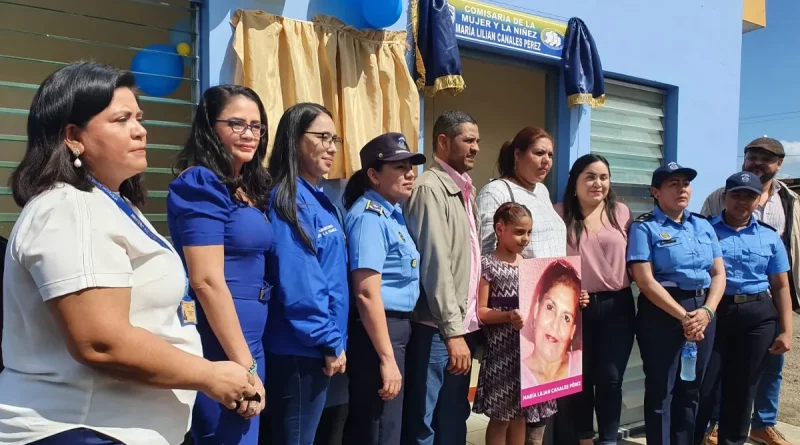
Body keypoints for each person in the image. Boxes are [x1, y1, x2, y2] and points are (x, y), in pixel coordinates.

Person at [0, 62, 256, 445]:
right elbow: (101, 341)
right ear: (73, 136)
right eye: (121, 119)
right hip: (84, 428)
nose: (140, 129)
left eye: (138, 117)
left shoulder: (110, 203)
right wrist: (210, 375)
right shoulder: (70, 208)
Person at [167, 85, 272, 444]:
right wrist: (245, 366)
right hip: (221, 345)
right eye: (237, 124)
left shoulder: (243, 185)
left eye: (257, 126)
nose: (250, 134)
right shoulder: (201, 182)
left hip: (248, 342)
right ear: (210, 127)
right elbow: (207, 280)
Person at [701, 137, 800, 445]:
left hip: (762, 307)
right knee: (711, 379)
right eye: (752, 156)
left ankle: (759, 425)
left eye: (766, 158)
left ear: (779, 164)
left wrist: (787, 328)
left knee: (760, 375)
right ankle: (710, 427)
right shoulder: (711, 214)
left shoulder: (789, 204)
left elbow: (783, 275)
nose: (758, 162)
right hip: (718, 307)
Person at [264, 102, 349, 445]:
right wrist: (328, 340)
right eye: (322, 137)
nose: (331, 146)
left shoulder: (318, 198)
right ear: (295, 140)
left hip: (316, 346)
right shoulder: (289, 200)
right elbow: (301, 283)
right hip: (300, 350)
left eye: (335, 138)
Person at [627, 162, 726, 445]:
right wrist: (685, 317)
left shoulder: (703, 225)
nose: (682, 189)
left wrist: (707, 311)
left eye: (685, 183)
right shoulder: (645, 227)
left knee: (692, 389)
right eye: (673, 184)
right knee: (662, 391)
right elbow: (645, 281)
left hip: (703, 311)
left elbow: (718, 273)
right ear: (655, 192)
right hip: (663, 313)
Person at [476, 126, 565, 444]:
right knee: (507, 406)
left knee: (536, 405)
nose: (546, 161)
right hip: (515, 320)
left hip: (548, 314)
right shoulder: (498, 191)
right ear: (517, 154)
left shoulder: (541, 192)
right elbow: (489, 254)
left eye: (550, 155)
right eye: (539, 153)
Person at [401, 110, 482, 445]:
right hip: (438, 331)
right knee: (425, 425)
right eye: (468, 140)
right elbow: (435, 266)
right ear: (443, 142)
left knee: (453, 419)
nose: (476, 147)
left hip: (460, 327)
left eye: (478, 140)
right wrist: (452, 333)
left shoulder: (464, 190)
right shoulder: (430, 189)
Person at [340, 133, 426, 445]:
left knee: (388, 425)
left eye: (410, 167)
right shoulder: (369, 217)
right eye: (399, 167)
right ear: (374, 176)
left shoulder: (393, 214)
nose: (409, 174)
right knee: (379, 429)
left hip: (395, 328)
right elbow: (366, 293)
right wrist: (387, 359)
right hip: (379, 330)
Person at [554, 154, 634, 445]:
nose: (597, 183)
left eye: (603, 177)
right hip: (576, 309)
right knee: (580, 380)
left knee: (611, 380)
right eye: (590, 176)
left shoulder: (621, 212)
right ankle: (583, 438)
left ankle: (609, 439)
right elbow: (547, 265)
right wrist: (570, 291)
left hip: (619, 307)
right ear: (575, 182)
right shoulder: (558, 214)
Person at [474, 202, 557, 445]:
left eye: (529, 232)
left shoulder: (530, 265)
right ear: (500, 229)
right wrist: (507, 316)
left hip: (528, 353)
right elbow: (481, 311)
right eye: (520, 232)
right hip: (502, 353)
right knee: (501, 417)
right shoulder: (488, 265)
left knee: (521, 414)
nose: (526, 238)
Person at [520, 259, 582, 387]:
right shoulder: (519, 378)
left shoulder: (581, 363)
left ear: (572, 331)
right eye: (550, 307)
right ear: (536, 310)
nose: (555, 324)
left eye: (566, 318)